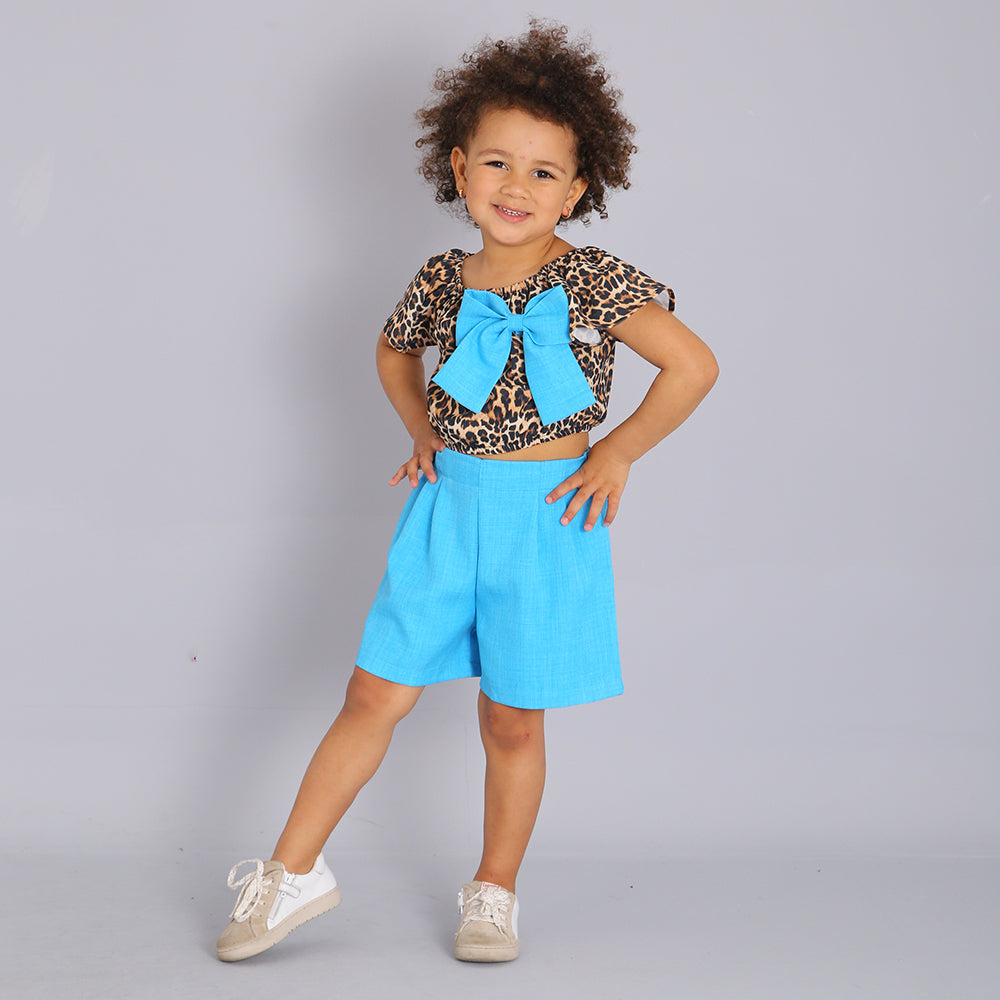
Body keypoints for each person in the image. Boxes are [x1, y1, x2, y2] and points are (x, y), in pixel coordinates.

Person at [215, 19, 718, 964]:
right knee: (373, 691)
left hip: (548, 517)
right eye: (496, 163)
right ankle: (293, 872)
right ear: (458, 167)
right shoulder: (443, 279)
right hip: (446, 509)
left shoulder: (594, 280)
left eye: (542, 172)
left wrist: (616, 455)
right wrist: (423, 430)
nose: (515, 187)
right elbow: (392, 351)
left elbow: (693, 366)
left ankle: (495, 891)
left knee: (511, 719)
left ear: (576, 189)